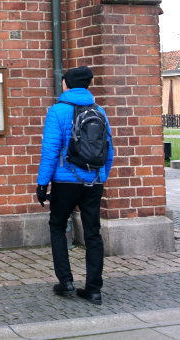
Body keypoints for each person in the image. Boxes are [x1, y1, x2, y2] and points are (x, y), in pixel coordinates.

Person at [36, 66, 114, 305]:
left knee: (58, 226)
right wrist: (101, 176)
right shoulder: (99, 111)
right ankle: (93, 289)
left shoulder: (57, 111)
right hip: (94, 181)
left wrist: (42, 183)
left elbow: (50, 151)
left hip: (65, 180)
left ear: (66, 84)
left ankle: (66, 282)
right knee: (93, 234)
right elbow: (109, 150)